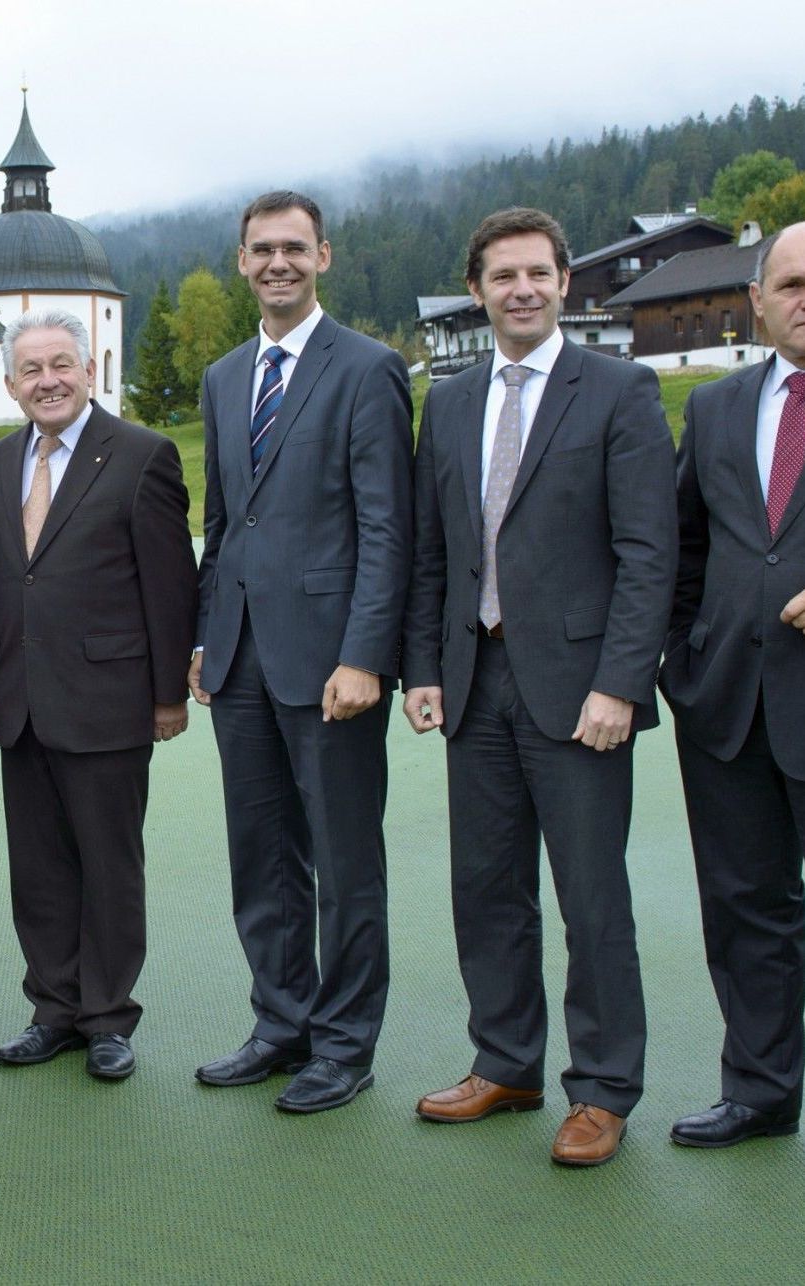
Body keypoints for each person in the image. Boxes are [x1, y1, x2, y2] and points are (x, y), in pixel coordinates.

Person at [403, 208, 676, 1167]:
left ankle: (602, 1091)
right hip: (476, 682)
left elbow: (649, 555)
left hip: (581, 691)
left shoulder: (620, 390)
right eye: (502, 275)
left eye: (538, 273)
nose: (522, 289)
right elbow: (434, 551)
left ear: (565, 281)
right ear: (476, 290)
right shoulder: (450, 399)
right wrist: (426, 667)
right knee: (486, 889)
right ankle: (507, 1063)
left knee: (591, 897)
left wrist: (621, 685)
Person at [190, 190, 413, 1114]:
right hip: (240, 657)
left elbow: (385, 526)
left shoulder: (368, 368)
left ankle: (344, 1046)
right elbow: (220, 523)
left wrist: (365, 655)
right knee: (263, 856)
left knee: (344, 861)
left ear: (323, 256)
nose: (276, 263)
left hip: (332, 667)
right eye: (260, 250)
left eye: (293, 248)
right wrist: (207, 637)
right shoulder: (223, 375)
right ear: (241, 261)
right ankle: (280, 1025)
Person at [0, 307, 197, 1083]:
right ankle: (54, 1010)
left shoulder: (141, 455)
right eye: (31, 370)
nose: (48, 381)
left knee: (108, 864)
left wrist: (166, 694)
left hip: (108, 699)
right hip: (21, 700)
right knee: (36, 868)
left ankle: (107, 1017)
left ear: (90, 370)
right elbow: (3, 582)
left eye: (60, 365)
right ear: (10, 384)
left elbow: (171, 585)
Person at [662, 221, 805, 1149]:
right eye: (791, 283)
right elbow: (684, 549)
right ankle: (760, 1089)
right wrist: (685, 659)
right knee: (747, 904)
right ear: (756, 300)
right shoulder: (716, 409)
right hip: (729, 706)